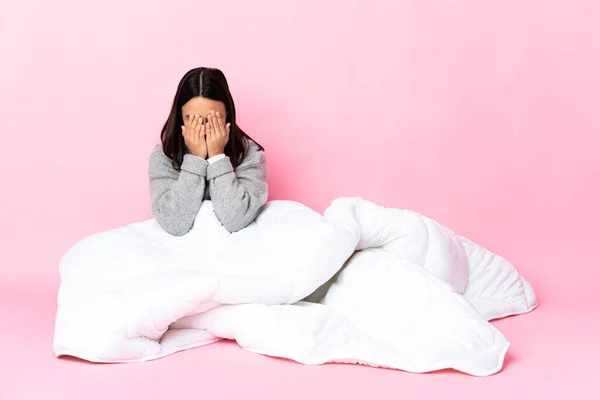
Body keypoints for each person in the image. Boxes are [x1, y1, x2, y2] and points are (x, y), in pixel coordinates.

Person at [149, 67, 268, 235]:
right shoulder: (163, 157)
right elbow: (174, 223)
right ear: (180, 116)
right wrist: (195, 158)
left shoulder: (250, 154)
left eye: (213, 119)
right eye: (193, 120)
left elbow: (236, 219)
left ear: (227, 112)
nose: (203, 129)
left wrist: (217, 156)